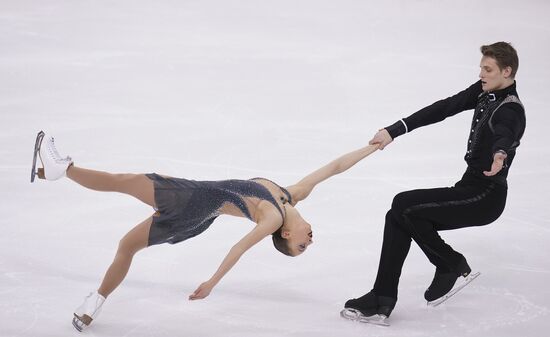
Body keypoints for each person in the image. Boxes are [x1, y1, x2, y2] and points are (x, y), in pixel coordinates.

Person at [31, 130, 380, 331]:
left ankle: (62, 169)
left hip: (192, 200)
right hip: (195, 201)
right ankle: (93, 305)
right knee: (127, 244)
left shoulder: (272, 218)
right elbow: (335, 167)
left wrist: (212, 282)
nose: (310, 241)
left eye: (302, 247)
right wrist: (375, 145)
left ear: (286, 236)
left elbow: (239, 249)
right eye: (307, 246)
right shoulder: (290, 195)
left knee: (123, 182)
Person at [341, 42, 526, 325]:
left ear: (507, 71)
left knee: (404, 204)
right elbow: (444, 108)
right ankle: (382, 298)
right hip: (468, 187)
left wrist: (500, 154)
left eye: (487, 69)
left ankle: (450, 263)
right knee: (398, 215)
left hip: (485, 196)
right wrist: (395, 130)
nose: (481, 74)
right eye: (480, 68)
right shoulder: (484, 91)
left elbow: (506, 133)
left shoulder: (510, 109)